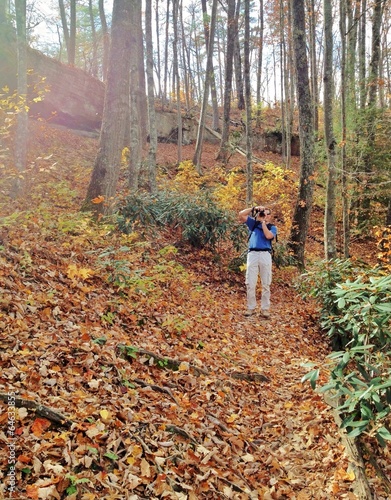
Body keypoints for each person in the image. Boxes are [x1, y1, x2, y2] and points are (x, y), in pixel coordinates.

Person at [238, 205, 277, 318]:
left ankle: (265, 309)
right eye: (263, 213)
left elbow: (268, 236)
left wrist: (263, 223)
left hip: (265, 254)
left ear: (270, 216)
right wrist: (254, 209)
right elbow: (241, 214)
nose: (264, 215)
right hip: (253, 254)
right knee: (250, 283)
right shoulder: (253, 224)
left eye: (267, 213)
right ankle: (251, 308)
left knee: (266, 283)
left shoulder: (272, 227)